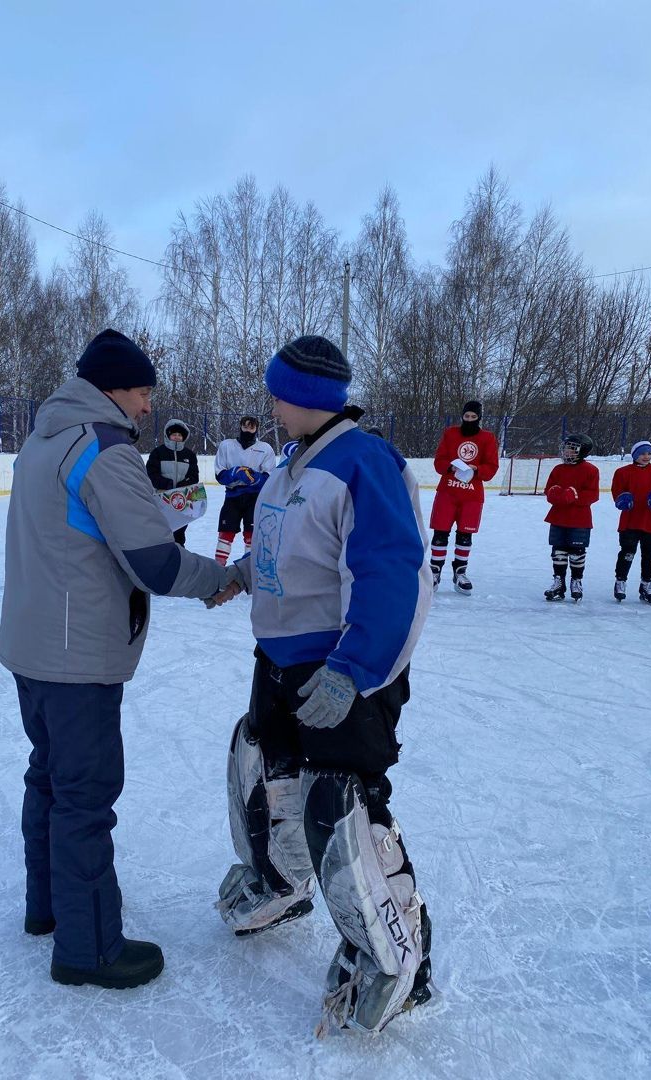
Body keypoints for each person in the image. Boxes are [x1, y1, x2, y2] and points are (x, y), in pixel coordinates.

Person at [0, 329, 237, 990]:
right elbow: (155, 563)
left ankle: (49, 908)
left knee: (49, 778)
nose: (145, 408)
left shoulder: (43, 439)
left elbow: (82, 533)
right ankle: (90, 946)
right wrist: (223, 579)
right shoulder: (103, 450)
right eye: (140, 392)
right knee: (84, 795)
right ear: (111, 387)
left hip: (31, 644)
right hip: (77, 657)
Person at [213, 335, 434, 1036]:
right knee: (270, 774)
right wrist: (244, 573)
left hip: (340, 669)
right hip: (279, 660)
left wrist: (354, 670)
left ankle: (399, 956)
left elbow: (391, 572)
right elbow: (291, 547)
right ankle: (282, 884)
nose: (270, 401)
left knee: (342, 803)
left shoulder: (364, 460)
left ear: (304, 397)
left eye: (278, 390)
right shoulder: (291, 464)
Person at [428, 401, 499, 594]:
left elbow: (491, 467)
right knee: (440, 533)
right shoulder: (450, 433)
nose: (469, 420)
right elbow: (439, 461)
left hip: (472, 496)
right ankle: (434, 571)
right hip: (447, 493)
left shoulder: (487, 438)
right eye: (466, 416)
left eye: (473, 417)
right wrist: (451, 467)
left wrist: (476, 470)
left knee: (464, 535)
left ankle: (460, 572)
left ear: (479, 418)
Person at [543, 432, 599, 602]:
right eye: (566, 448)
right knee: (558, 551)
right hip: (558, 517)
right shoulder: (558, 469)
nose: (567, 451)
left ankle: (576, 580)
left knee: (577, 552)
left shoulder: (591, 470)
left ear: (582, 452)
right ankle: (558, 582)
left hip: (579, 519)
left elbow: (593, 495)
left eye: (572, 449)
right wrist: (555, 494)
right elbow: (549, 490)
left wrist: (574, 496)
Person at [213, 415, 276, 564]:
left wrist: (256, 478)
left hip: (254, 499)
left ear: (256, 429)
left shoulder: (265, 448)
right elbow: (220, 475)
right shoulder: (226, 445)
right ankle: (218, 570)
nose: (248, 430)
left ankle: (249, 572)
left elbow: (269, 477)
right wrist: (233, 473)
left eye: (252, 427)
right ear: (240, 427)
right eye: (245, 426)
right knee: (225, 534)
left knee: (252, 536)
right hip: (232, 498)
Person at [611, 439, 651, 604]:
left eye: (649, 453)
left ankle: (646, 584)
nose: (646, 456)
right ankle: (620, 581)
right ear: (634, 454)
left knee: (650, 555)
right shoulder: (623, 472)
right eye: (642, 453)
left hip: (650, 521)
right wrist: (622, 499)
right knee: (627, 552)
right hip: (630, 521)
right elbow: (617, 492)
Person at [146, 418, 200, 544]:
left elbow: (194, 476)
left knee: (179, 534)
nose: (176, 437)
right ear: (168, 435)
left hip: (182, 500)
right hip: (162, 498)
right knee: (161, 531)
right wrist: (167, 484)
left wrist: (182, 486)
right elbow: (151, 474)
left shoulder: (190, 455)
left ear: (184, 437)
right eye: (174, 434)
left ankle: (180, 558)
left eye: (179, 435)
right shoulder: (158, 452)